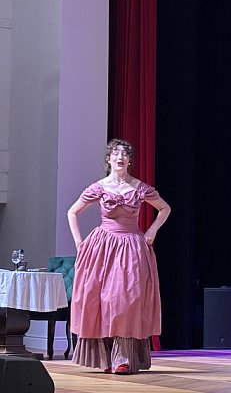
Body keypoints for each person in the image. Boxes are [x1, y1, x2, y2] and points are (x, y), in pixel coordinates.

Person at [67, 139, 171, 375]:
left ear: (129, 160)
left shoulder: (140, 188)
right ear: (109, 159)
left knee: (127, 300)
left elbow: (165, 208)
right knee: (101, 300)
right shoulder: (99, 187)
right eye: (115, 153)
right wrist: (79, 243)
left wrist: (152, 231)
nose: (120, 157)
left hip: (131, 247)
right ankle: (105, 358)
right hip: (103, 247)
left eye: (124, 154)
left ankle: (123, 357)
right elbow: (72, 212)